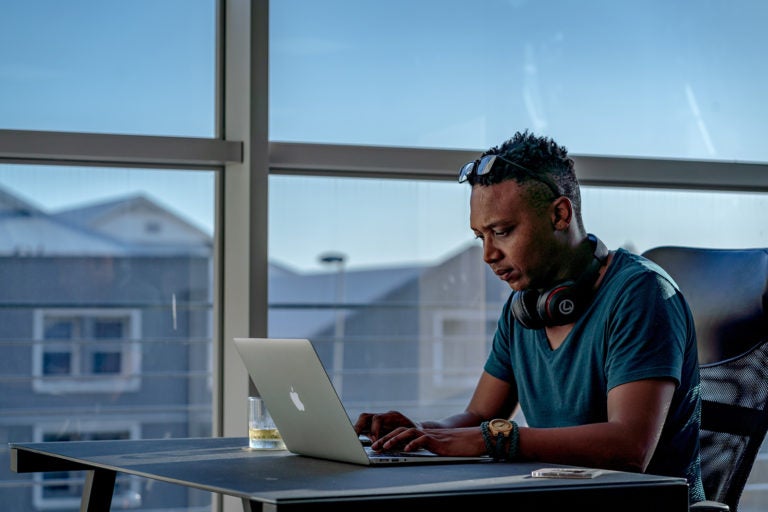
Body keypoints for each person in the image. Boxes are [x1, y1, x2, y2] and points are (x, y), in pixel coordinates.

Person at [354, 130, 705, 504]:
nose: (489, 254)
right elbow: (478, 415)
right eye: (480, 237)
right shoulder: (522, 307)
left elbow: (630, 447)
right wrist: (422, 433)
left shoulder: (642, 293)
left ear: (559, 214)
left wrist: (494, 439)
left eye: (502, 232)